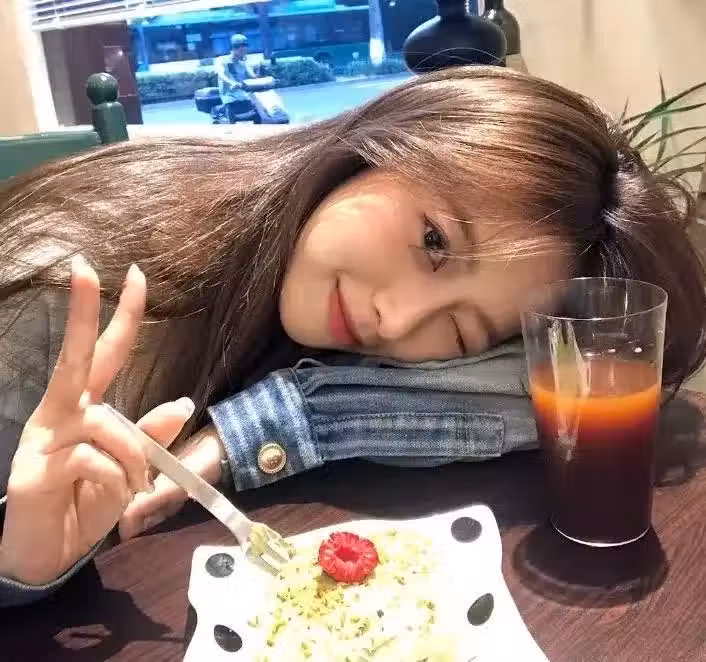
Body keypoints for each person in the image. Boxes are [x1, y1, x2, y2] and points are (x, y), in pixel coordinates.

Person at [1, 66, 705, 606]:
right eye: (434, 243)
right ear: (387, 140)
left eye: (460, 332)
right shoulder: (55, 308)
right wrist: (17, 570)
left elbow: (550, 398)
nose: (397, 322)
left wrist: (269, 423)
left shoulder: (275, 274)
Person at [214, 33, 258, 123]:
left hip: (245, 96)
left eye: (245, 47)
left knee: (260, 112)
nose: (243, 51)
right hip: (230, 97)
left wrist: (262, 76)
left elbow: (252, 75)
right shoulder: (221, 60)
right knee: (232, 122)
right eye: (241, 49)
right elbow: (221, 74)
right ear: (233, 48)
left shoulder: (243, 62)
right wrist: (232, 83)